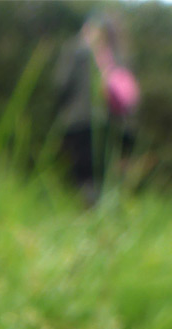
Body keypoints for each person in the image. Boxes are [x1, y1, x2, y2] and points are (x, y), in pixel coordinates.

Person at [54, 14, 139, 201]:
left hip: (79, 121)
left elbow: (61, 84)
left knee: (83, 174)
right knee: (105, 173)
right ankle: (104, 215)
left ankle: (88, 214)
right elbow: (129, 98)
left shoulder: (78, 51)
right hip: (111, 123)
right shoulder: (119, 56)